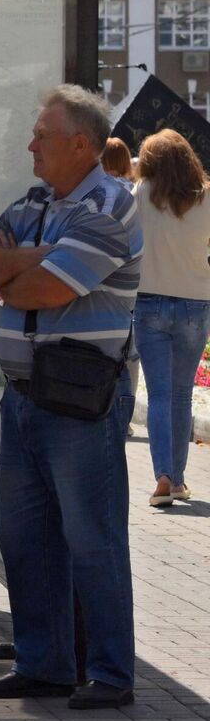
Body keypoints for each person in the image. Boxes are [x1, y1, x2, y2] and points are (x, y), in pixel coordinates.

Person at [0, 85, 141, 709]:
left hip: (82, 406)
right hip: (26, 398)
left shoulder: (111, 204)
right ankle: (44, 664)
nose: (30, 143)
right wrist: (31, 261)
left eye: (42, 133)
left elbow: (41, 292)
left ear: (80, 144)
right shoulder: (34, 200)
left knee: (94, 540)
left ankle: (113, 674)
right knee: (24, 538)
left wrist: (18, 268)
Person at [130, 128, 210, 507]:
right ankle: (177, 480)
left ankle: (164, 477)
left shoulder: (142, 193)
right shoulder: (205, 196)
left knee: (160, 393)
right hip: (195, 301)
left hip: (149, 303)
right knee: (181, 395)